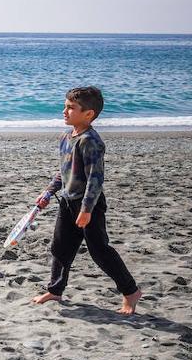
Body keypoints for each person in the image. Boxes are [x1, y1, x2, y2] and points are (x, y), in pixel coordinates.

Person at [31, 87, 144, 314]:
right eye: (65, 106)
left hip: (87, 205)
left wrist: (86, 209)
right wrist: (48, 193)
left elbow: (95, 179)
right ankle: (55, 290)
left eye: (71, 108)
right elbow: (63, 173)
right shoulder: (66, 137)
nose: (64, 111)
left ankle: (131, 292)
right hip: (67, 201)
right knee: (60, 248)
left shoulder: (90, 141)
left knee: (99, 251)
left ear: (88, 114)